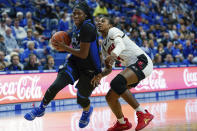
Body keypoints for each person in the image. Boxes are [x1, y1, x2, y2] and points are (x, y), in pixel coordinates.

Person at [24, 1, 101, 129]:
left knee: (81, 99)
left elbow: (83, 53)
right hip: (75, 63)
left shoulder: (88, 27)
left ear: (86, 15)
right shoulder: (77, 26)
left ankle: (87, 111)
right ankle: (41, 108)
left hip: (90, 69)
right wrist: (52, 38)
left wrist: (64, 47)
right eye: (74, 13)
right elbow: (70, 41)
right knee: (55, 85)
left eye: (78, 14)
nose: (75, 16)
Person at [91, 16, 154, 131]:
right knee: (110, 97)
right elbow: (109, 69)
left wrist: (113, 55)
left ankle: (143, 114)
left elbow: (121, 45)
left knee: (117, 82)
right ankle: (122, 122)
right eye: (98, 21)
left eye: (103, 21)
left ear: (110, 25)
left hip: (142, 61)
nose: (99, 23)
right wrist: (100, 75)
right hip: (132, 67)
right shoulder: (104, 46)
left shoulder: (113, 31)